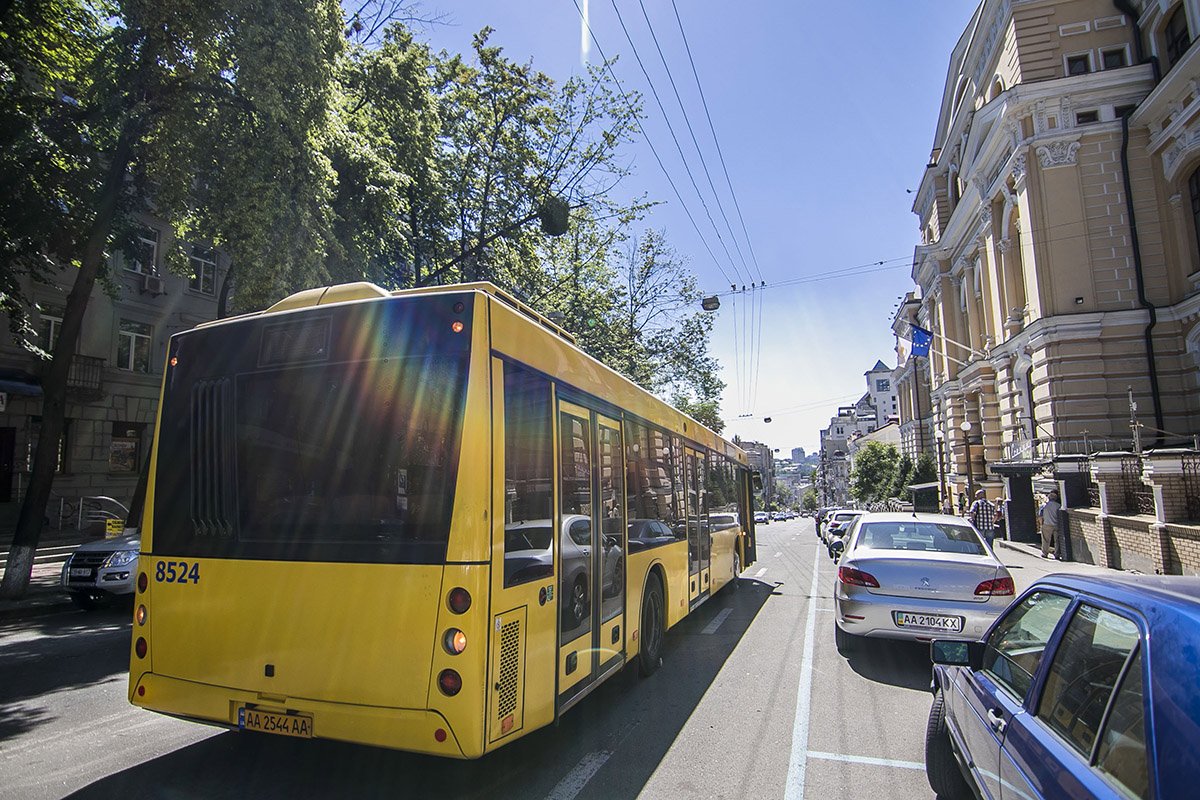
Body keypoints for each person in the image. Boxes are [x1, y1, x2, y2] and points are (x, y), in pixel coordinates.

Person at [1039, 490, 1061, 559]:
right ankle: (1057, 554)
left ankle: (1045, 553)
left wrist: (1041, 524)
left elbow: (1040, 516)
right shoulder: (1058, 506)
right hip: (1056, 524)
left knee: (1046, 540)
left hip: (1047, 524)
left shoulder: (1044, 505)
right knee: (1057, 540)